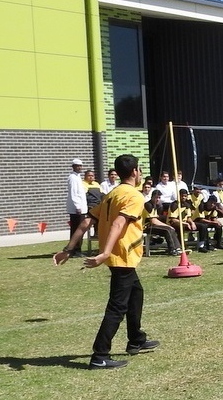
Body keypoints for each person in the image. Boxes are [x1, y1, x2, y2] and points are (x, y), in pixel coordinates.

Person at [53, 154, 159, 369]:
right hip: (122, 257)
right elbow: (118, 224)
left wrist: (68, 249)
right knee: (117, 307)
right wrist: (104, 253)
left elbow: (86, 222)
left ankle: (136, 339)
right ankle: (100, 355)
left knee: (136, 294)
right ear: (135, 172)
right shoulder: (134, 196)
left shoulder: (112, 193)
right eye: (139, 170)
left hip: (119, 257)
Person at [143, 189, 182, 255]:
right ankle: (172, 250)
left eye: (159, 197)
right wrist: (167, 225)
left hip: (151, 225)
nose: (157, 199)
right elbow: (153, 221)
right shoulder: (148, 205)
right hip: (145, 227)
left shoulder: (155, 205)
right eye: (156, 197)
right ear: (152, 197)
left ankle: (177, 248)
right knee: (167, 230)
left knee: (170, 229)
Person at [66, 158, 88, 258]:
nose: (79, 167)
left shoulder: (78, 177)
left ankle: (76, 248)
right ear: (73, 167)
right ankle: (74, 249)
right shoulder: (73, 177)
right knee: (77, 229)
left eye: (80, 166)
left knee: (80, 229)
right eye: (77, 166)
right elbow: (74, 193)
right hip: (77, 209)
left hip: (81, 208)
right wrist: (77, 206)